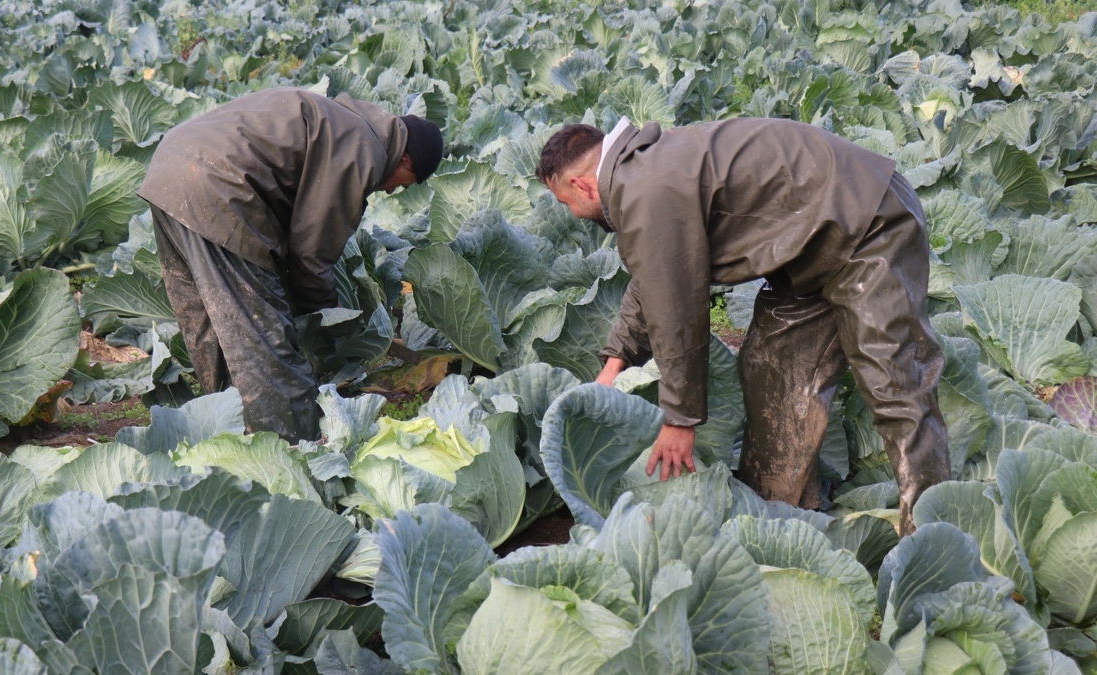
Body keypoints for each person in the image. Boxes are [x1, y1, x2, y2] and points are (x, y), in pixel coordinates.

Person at [535, 117, 950, 535]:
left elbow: (677, 311)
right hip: (810, 245)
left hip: (867, 220)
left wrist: (680, 420)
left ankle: (931, 536)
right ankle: (776, 517)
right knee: (770, 369)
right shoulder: (641, 174)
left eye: (565, 202)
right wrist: (615, 361)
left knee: (892, 380)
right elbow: (657, 279)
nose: (572, 214)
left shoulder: (645, 188)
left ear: (582, 186)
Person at [138, 88, 443, 443]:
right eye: (408, 184)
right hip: (219, 188)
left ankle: (226, 433)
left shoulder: (347, 124)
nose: (392, 192)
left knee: (211, 327)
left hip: (169, 172)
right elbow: (310, 254)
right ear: (407, 162)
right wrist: (327, 319)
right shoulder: (363, 150)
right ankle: (290, 449)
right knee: (264, 345)